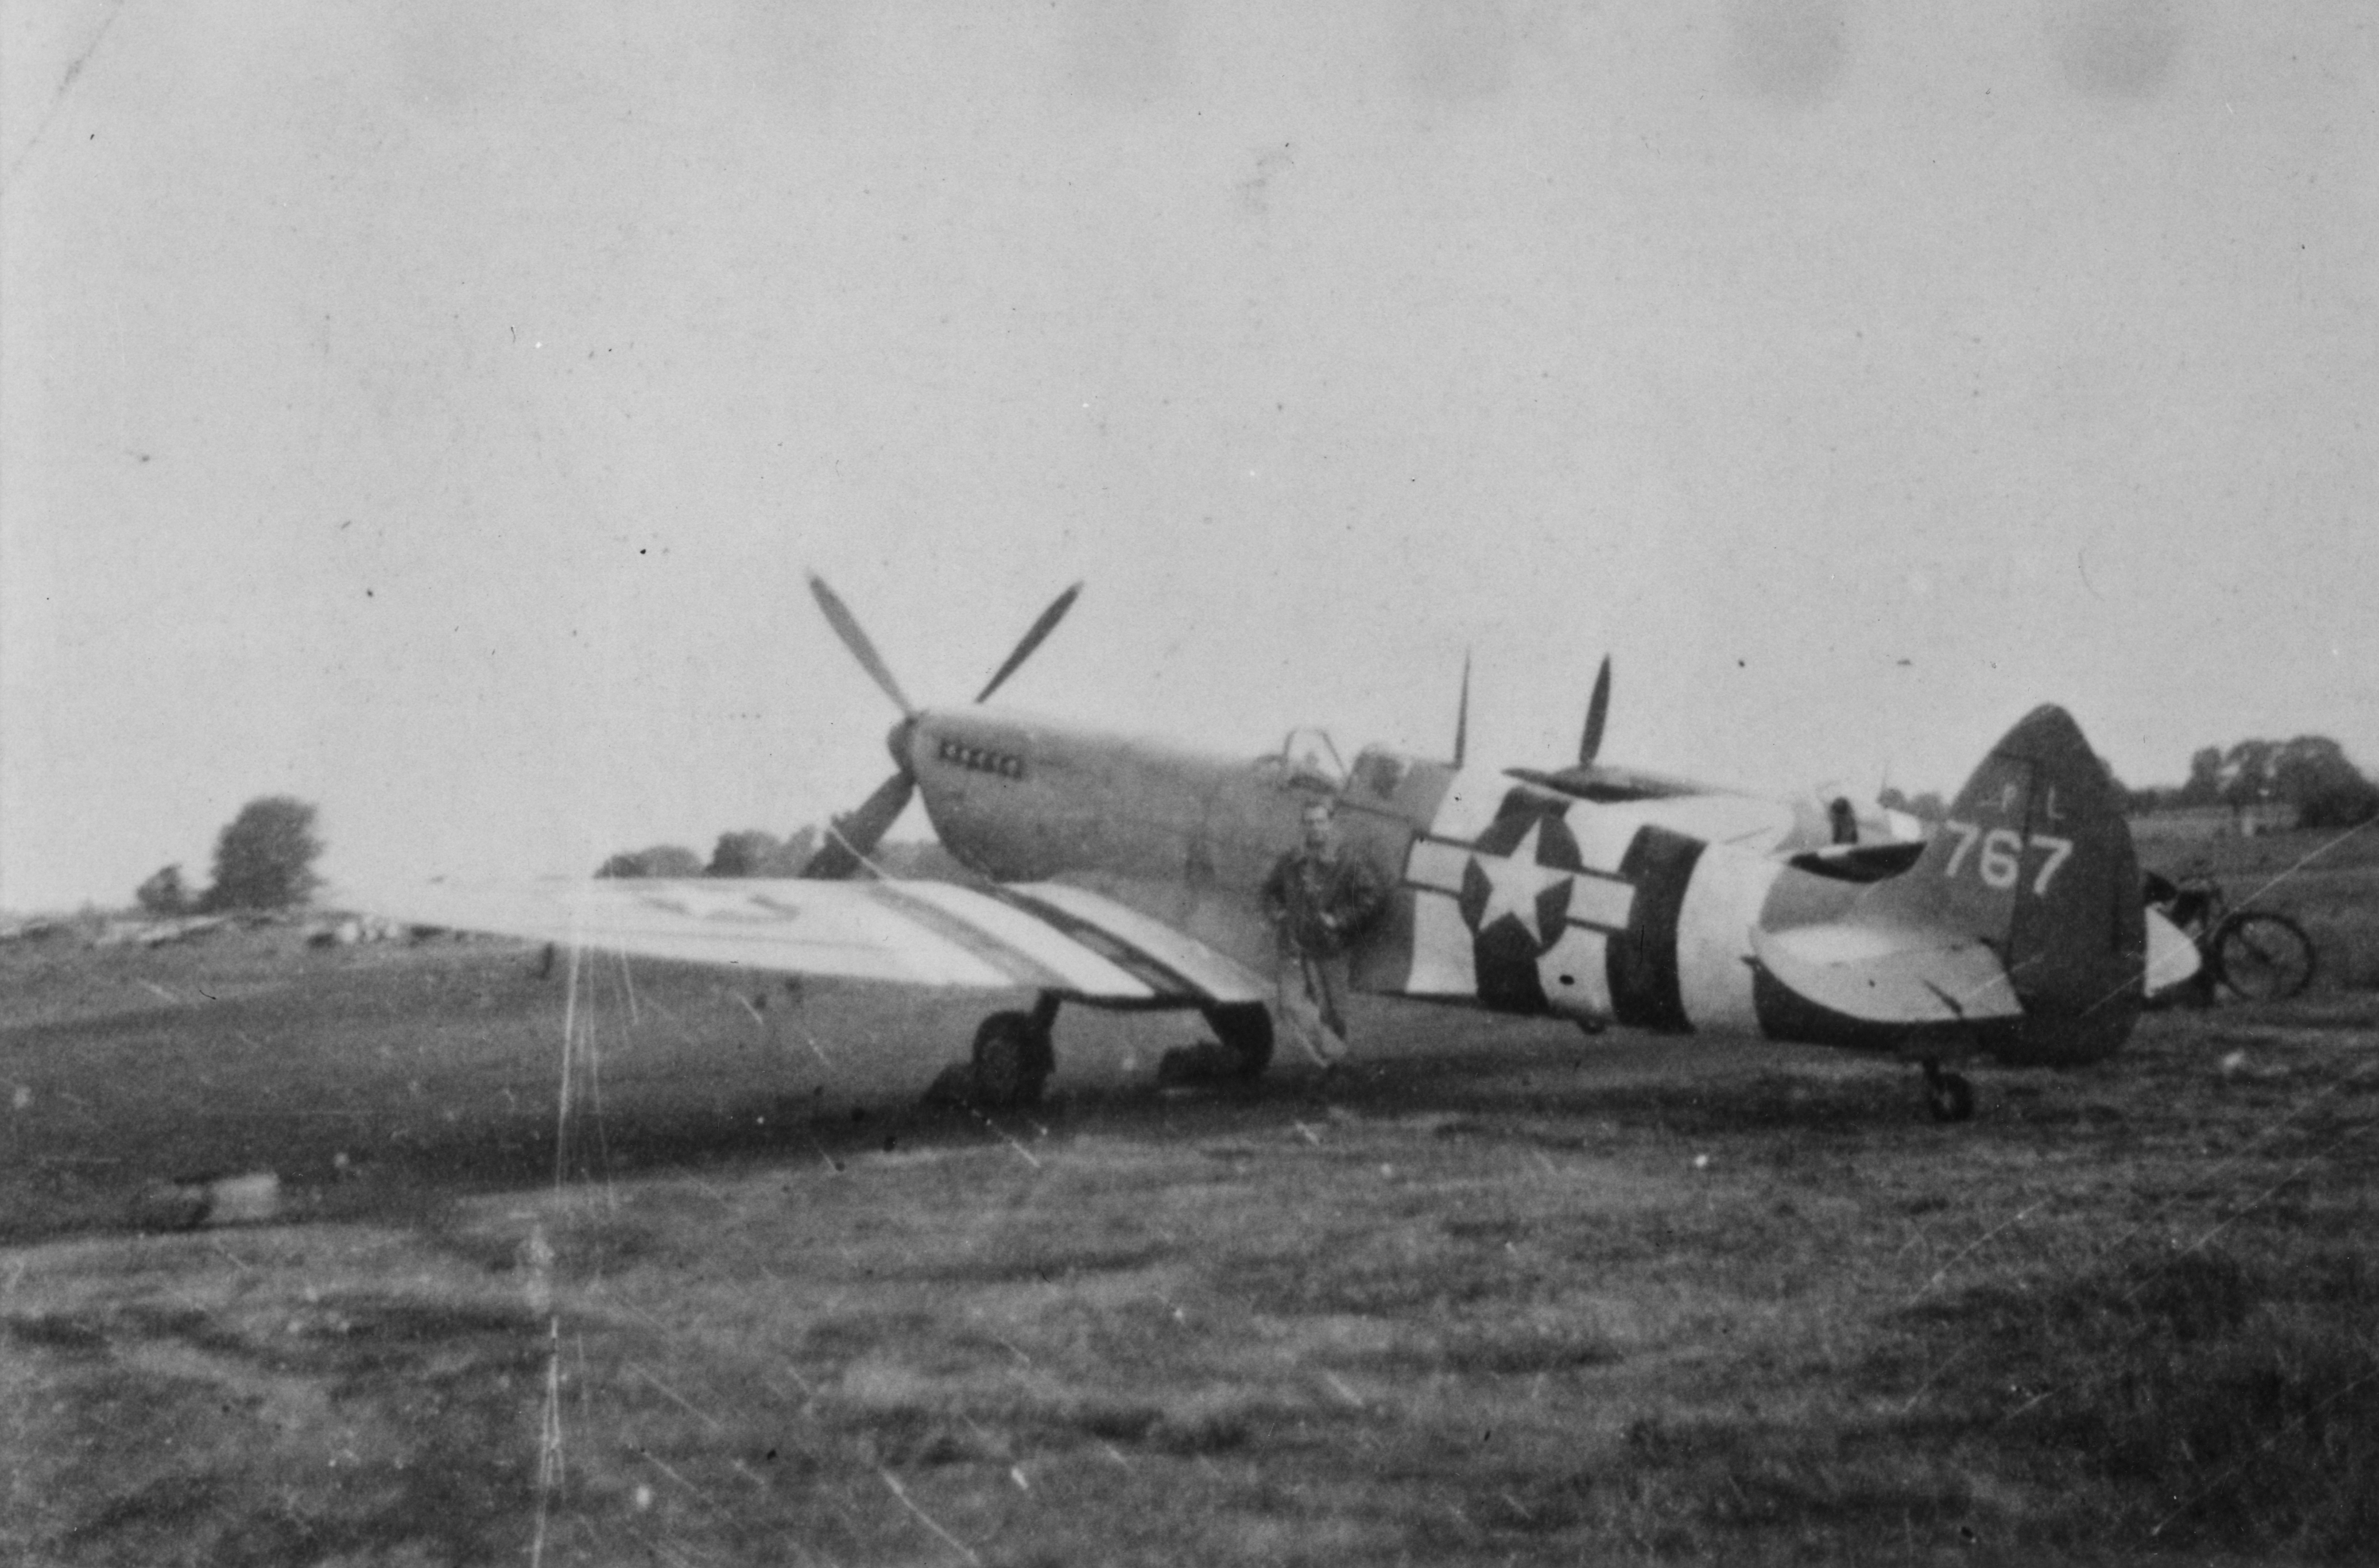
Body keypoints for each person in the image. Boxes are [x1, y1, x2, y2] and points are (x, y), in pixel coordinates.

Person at [1262, 799, 1386, 1065]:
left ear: (1330, 824)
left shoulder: (1348, 859)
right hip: (1294, 946)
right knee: (1291, 1004)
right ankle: (1340, 1059)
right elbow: (1270, 892)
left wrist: (1339, 921)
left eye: (1320, 822)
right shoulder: (1290, 860)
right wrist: (1278, 914)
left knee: (1335, 1016)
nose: (1315, 828)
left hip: (1331, 948)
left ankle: (1333, 1069)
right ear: (1302, 826)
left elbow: (1372, 895)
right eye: (1309, 823)